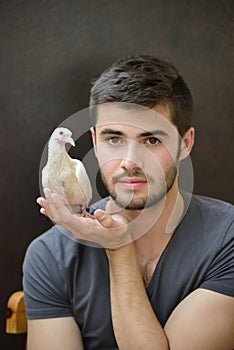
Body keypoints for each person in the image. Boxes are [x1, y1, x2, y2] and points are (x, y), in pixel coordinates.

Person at [23, 55, 234, 350]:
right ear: (95, 141)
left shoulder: (228, 238)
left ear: (185, 144)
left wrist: (120, 247)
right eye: (114, 139)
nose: (130, 163)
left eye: (151, 141)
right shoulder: (50, 255)